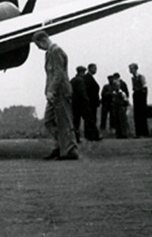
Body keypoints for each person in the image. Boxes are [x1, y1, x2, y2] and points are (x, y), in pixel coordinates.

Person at [32, 31, 78, 160]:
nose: (39, 48)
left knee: (64, 121)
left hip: (61, 92)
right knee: (49, 120)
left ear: (44, 40)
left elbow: (59, 73)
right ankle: (60, 147)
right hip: (54, 93)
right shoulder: (50, 53)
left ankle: (69, 150)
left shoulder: (55, 51)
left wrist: (51, 90)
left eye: (38, 45)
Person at [129, 63, 149, 137]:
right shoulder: (133, 78)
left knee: (142, 114)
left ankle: (144, 132)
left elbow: (145, 87)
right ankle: (138, 132)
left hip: (141, 95)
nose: (130, 70)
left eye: (131, 68)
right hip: (136, 95)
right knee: (137, 115)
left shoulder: (141, 77)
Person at [71, 66, 89, 143]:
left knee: (75, 122)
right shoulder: (81, 81)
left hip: (73, 103)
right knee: (87, 119)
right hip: (81, 103)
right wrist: (86, 99)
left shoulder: (73, 80)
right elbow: (82, 92)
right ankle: (89, 135)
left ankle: (75, 137)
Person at [83, 63, 102, 140]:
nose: (95, 70)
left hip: (92, 102)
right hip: (90, 102)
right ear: (90, 68)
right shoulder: (87, 78)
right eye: (94, 68)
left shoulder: (89, 78)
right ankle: (91, 135)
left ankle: (91, 135)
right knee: (91, 118)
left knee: (92, 118)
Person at [109, 74, 129, 138]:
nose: (116, 87)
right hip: (115, 108)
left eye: (117, 86)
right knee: (117, 121)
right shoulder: (113, 93)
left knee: (122, 121)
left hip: (121, 108)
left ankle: (124, 134)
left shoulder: (122, 93)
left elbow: (126, 101)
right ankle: (119, 134)